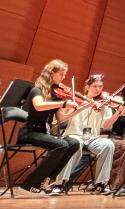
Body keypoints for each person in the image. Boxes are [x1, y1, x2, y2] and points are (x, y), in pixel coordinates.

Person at [16, 60, 87, 197]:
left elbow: (60, 120)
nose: (63, 78)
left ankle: (47, 178)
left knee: (74, 143)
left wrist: (80, 109)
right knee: (60, 145)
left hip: (44, 132)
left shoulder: (54, 95)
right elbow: (38, 105)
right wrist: (62, 103)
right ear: (51, 73)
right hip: (30, 132)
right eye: (61, 74)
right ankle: (29, 184)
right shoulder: (37, 90)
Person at [56, 74, 125, 194]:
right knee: (75, 144)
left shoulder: (104, 105)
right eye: (95, 86)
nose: (98, 89)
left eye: (100, 86)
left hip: (92, 138)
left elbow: (106, 125)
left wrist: (118, 112)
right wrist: (86, 105)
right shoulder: (76, 100)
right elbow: (62, 116)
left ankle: (101, 183)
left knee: (108, 145)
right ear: (87, 87)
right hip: (75, 135)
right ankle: (60, 183)